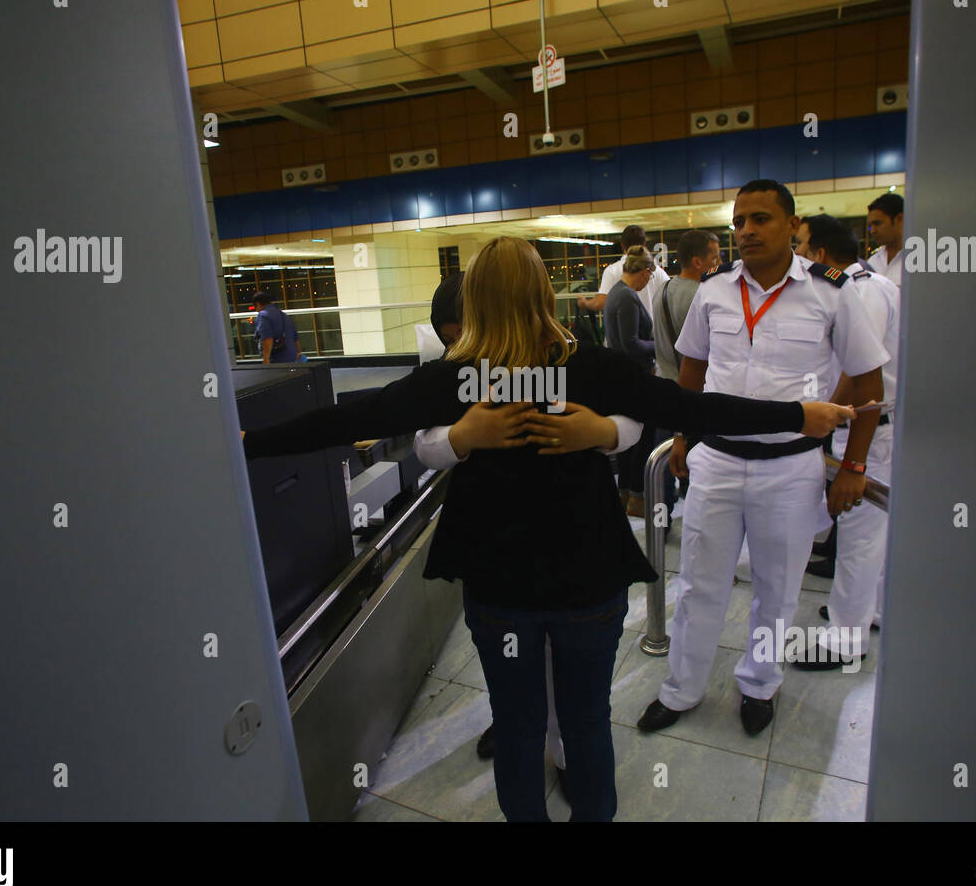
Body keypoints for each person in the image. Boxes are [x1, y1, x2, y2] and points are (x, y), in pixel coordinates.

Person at [240, 235, 856, 821]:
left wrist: (247, 442)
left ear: (474, 301)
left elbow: (350, 416)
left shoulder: (459, 379)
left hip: (499, 584)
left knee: (516, 722)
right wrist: (801, 413)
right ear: (543, 295)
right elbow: (695, 408)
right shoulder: (592, 369)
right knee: (586, 721)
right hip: (587, 576)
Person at [638, 179, 888, 738]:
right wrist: (684, 434)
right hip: (718, 462)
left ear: (792, 226)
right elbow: (693, 372)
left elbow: (869, 380)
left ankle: (759, 684)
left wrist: (853, 466)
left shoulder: (832, 291)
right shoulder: (714, 290)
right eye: (739, 221)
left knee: (778, 589)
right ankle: (682, 689)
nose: (746, 230)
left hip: (792, 468)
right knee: (701, 582)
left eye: (760, 219)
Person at [414, 271, 645, 789]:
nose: (464, 348)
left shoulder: (567, 357)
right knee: (515, 668)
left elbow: (632, 419)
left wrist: (602, 431)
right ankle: (521, 723)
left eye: (468, 336)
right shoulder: (452, 371)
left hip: (573, 543)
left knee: (575, 688)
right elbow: (424, 444)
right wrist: (463, 436)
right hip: (499, 548)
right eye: (453, 340)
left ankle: (563, 752)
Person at [794, 214, 898, 667]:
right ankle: (869, 610)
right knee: (873, 533)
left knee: (857, 534)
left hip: (867, 429)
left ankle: (846, 637)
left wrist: (827, 418)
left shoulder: (858, 290)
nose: (796, 255)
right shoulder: (869, 283)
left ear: (819, 252)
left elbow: (862, 377)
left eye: (799, 245)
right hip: (871, 427)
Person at [652, 230, 721, 511]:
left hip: (662, 385)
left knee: (663, 464)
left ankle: (661, 520)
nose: (719, 263)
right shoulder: (703, 296)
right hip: (692, 391)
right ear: (697, 262)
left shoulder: (663, 289)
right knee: (694, 463)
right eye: (715, 257)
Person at [603, 245, 658, 517]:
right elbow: (631, 344)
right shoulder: (626, 297)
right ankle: (636, 497)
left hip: (622, 378)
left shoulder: (616, 293)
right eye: (650, 275)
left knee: (628, 446)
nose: (649, 281)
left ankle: (626, 494)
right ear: (644, 271)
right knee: (642, 440)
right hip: (634, 378)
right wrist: (658, 345)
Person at [577, 225, 670, 323]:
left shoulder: (612, 271)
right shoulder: (657, 271)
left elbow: (600, 303)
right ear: (644, 244)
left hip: (620, 334)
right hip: (650, 333)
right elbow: (670, 298)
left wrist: (585, 303)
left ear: (622, 245)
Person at [866, 192, 905, 286]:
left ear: (899, 219)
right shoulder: (872, 262)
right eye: (870, 226)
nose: (873, 231)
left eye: (877, 224)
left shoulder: (921, 260)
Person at [252, 291, 301, 363]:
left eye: (255, 307)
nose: (256, 310)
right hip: (292, 357)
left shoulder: (263, 316)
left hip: (277, 358)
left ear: (258, 304)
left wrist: (266, 359)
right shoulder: (283, 314)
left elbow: (267, 338)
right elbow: (295, 337)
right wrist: (299, 353)